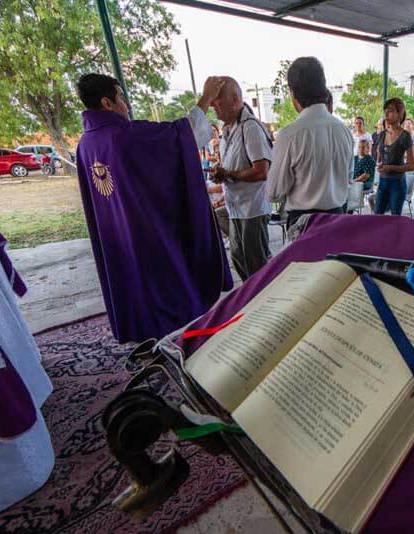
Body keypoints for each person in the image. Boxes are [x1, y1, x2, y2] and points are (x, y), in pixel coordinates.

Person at [74, 73, 232, 343]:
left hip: (115, 233)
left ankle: (142, 333)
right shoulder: (123, 136)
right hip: (144, 232)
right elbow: (181, 136)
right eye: (121, 96)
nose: (126, 104)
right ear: (106, 103)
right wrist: (205, 98)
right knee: (171, 286)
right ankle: (181, 338)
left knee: (131, 282)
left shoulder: (85, 144)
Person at [267, 57, 353, 228]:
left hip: (304, 225)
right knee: (332, 256)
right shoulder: (344, 131)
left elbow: (274, 192)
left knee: (307, 257)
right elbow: (348, 178)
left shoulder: (289, 135)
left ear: (292, 92)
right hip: (337, 220)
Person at [207, 77, 273, 282]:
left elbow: (262, 171)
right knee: (238, 258)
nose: (212, 105)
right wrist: (223, 172)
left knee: (256, 267)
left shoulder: (250, 127)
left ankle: (263, 305)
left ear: (235, 99)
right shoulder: (229, 130)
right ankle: (253, 302)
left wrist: (228, 174)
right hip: (236, 208)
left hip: (252, 208)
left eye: (217, 100)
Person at [374, 97, 414, 215]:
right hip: (382, 181)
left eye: (390, 110)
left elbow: (412, 165)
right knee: (377, 216)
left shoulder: (405, 136)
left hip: (397, 182)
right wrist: (379, 163)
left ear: (400, 114)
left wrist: (391, 168)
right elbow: (380, 157)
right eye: (385, 110)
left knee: (395, 218)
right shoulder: (382, 134)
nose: (386, 113)